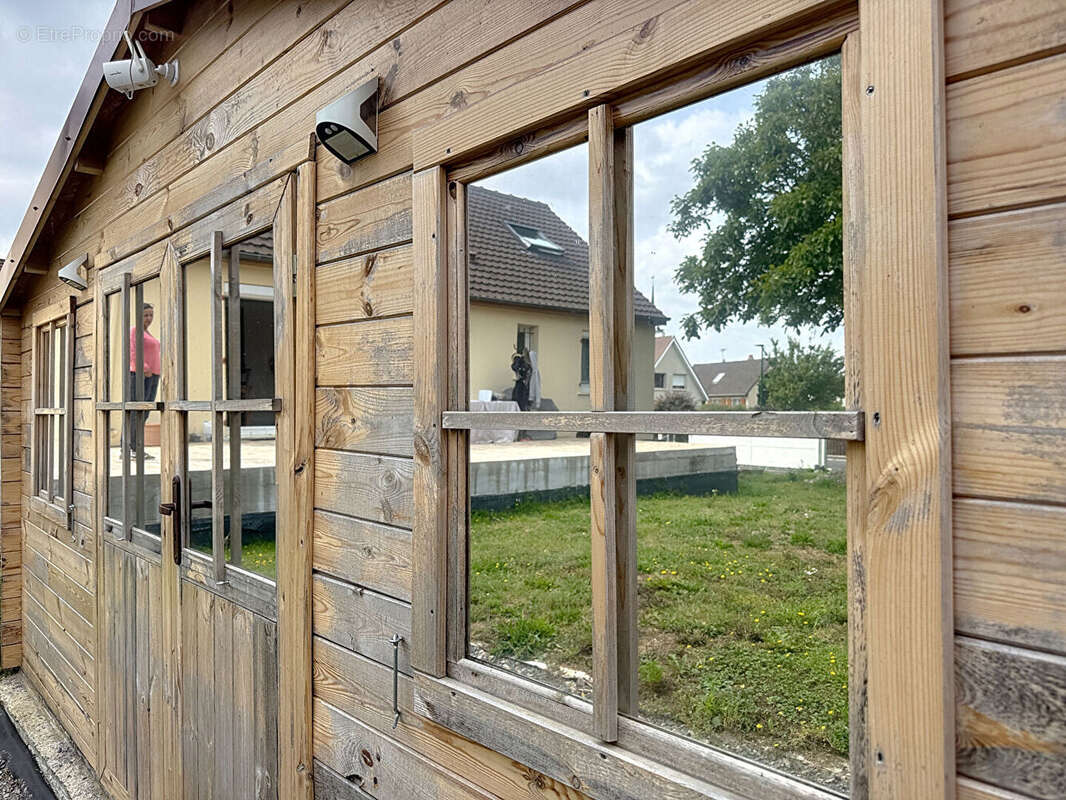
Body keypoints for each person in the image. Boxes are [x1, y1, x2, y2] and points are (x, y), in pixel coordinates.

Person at [126, 303, 160, 456]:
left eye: (151, 315)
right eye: (146, 315)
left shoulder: (148, 333)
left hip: (153, 376)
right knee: (136, 410)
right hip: (140, 375)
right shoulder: (134, 331)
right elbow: (132, 352)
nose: (149, 318)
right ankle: (130, 447)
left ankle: (136, 446)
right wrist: (144, 368)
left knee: (144, 412)